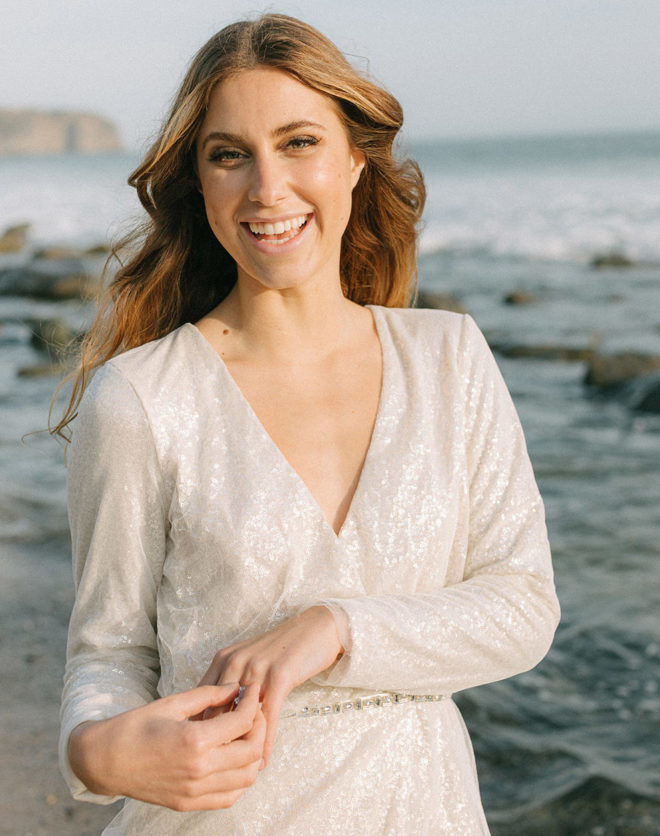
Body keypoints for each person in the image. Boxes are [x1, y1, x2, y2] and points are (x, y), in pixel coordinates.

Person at [54, 13, 560, 835]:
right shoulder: (141, 397)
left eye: (298, 142)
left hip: (425, 810)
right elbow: (108, 654)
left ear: (354, 157)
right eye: (230, 155)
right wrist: (94, 753)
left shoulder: (449, 357)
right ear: (201, 181)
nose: (266, 188)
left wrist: (334, 627)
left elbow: (523, 607)